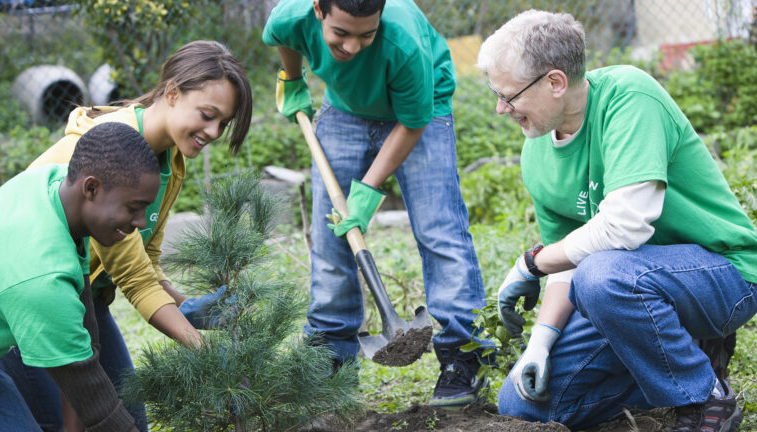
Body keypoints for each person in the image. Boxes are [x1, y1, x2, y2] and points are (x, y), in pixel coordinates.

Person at [478, 10, 757, 432]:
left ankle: (705, 400)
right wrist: (541, 340)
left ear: (554, 82)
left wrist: (531, 263)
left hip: (723, 273)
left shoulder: (629, 97)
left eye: (509, 96)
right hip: (629, 288)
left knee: (602, 275)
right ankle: (687, 353)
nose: (501, 108)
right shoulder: (536, 150)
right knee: (522, 404)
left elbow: (625, 226)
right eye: (496, 93)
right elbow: (568, 261)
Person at [0, 40, 253, 431]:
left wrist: (182, 303)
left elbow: (143, 261)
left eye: (223, 123)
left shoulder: (169, 160)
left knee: (122, 417)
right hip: (29, 305)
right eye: (207, 114)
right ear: (172, 92)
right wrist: (205, 351)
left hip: (79, 298)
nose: (214, 131)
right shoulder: (97, 161)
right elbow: (135, 281)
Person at [262, 0, 490, 408]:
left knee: (439, 229)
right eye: (341, 35)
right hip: (344, 110)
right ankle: (332, 356)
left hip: (421, 110)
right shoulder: (290, 15)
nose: (353, 47)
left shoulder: (402, 42)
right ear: (318, 9)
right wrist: (293, 78)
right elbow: (285, 38)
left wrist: (366, 191)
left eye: (366, 35)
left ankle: (462, 356)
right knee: (331, 236)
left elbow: (413, 121)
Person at [0, 122, 160, 432]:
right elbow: (95, 401)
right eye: (134, 208)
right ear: (91, 188)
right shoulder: (42, 278)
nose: (139, 221)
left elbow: (85, 335)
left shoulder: (50, 187)